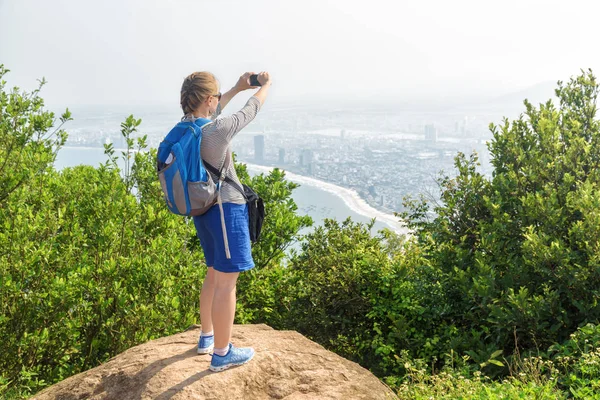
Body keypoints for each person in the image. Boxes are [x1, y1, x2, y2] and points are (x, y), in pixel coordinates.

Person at [179, 70, 271, 372]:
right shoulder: (217, 132)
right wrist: (263, 87)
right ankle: (222, 352)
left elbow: (213, 111)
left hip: (202, 209)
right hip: (225, 210)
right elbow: (250, 112)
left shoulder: (186, 127)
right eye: (216, 97)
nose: (218, 102)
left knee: (213, 273)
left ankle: (207, 337)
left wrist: (235, 88)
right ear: (208, 99)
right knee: (227, 282)